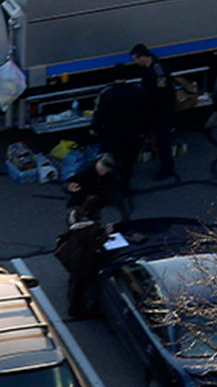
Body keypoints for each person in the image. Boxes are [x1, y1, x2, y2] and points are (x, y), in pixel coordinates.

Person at [131, 43, 194, 180]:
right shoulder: (152, 68)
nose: (135, 62)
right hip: (158, 110)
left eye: (136, 59)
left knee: (163, 140)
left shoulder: (158, 70)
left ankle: (167, 169)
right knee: (159, 138)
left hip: (161, 111)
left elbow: (161, 93)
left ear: (142, 57)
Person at [55, 173, 110, 320]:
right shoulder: (90, 228)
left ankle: (73, 301)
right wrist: (106, 234)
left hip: (71, 254)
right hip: (82, 261)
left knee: (75, 282)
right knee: (79, 286)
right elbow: (93, 245)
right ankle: (76, 310)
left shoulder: (75, 215)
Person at [90, 70, 149, 199]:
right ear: (127, 77)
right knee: (128, 162)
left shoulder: (106, 94)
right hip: (132, 133)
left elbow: (99, 113)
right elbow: (144, 113)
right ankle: (125, 188)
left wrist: (95, 128)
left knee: (109, 161)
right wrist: (144, 131)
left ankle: (109, 190)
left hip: (112, 133)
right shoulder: (137, 92)